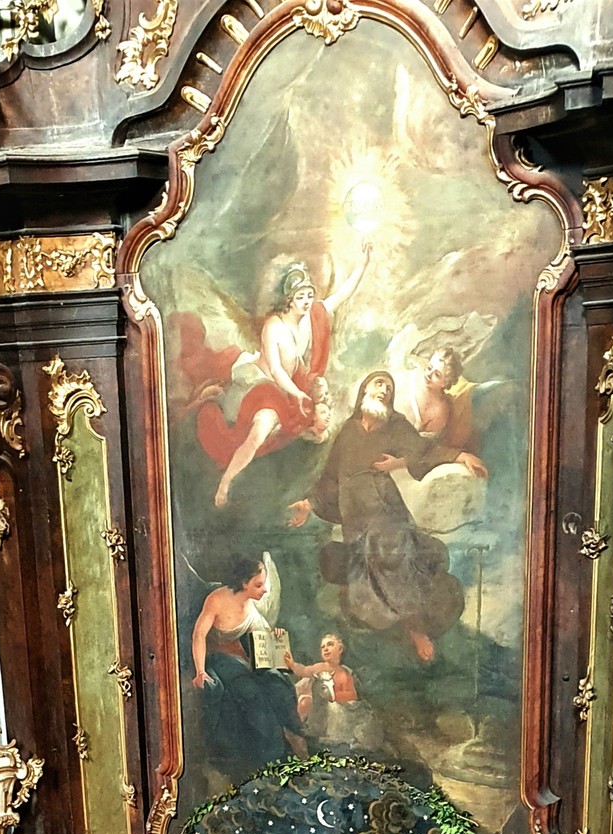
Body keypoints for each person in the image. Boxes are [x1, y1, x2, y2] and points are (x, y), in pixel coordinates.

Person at [288, 371, 465, 662]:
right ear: (364, 389)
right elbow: (331, 476)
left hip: (386, 508)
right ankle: (405, 629)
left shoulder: (394, 425)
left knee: (395, 559)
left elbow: (423, 450)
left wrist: (459, 456)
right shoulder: (348, 431)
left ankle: (416, 627)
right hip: (356, 517)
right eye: (379, 384)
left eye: (389, 388)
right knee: (368, 579)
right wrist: (310, 503)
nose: (384, 390)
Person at [177, 250, 371, 507]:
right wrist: (297, 393)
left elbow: (342, 295)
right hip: (260, 387)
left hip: (289, 388)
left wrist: (362, 265)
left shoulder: (314, 316)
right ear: (288, 300)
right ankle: (225, 482)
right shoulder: (274, 327)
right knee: (259, 432)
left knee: (319, 425)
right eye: (300, 297)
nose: (307, 302)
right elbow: (277, 370)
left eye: (309, 295)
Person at [190, 552, 306, 775]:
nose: (265, 590)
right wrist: (200, 671)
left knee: (278, 682)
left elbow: (263, 636)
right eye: (259, 585)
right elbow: (199, 635)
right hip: (216, 659)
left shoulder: (250, 605)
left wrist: (275, 636)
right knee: (252, 695)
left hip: (240, 657)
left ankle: (292, 735)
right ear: (244, 583)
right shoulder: (217, 600)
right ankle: (272, 756)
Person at [399, 346, 488, 478]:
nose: (429, 374)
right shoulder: (412, 377)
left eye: (437, 374)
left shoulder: (440, 411)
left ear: (445, 383)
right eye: (429, 368)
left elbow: (424, 449)